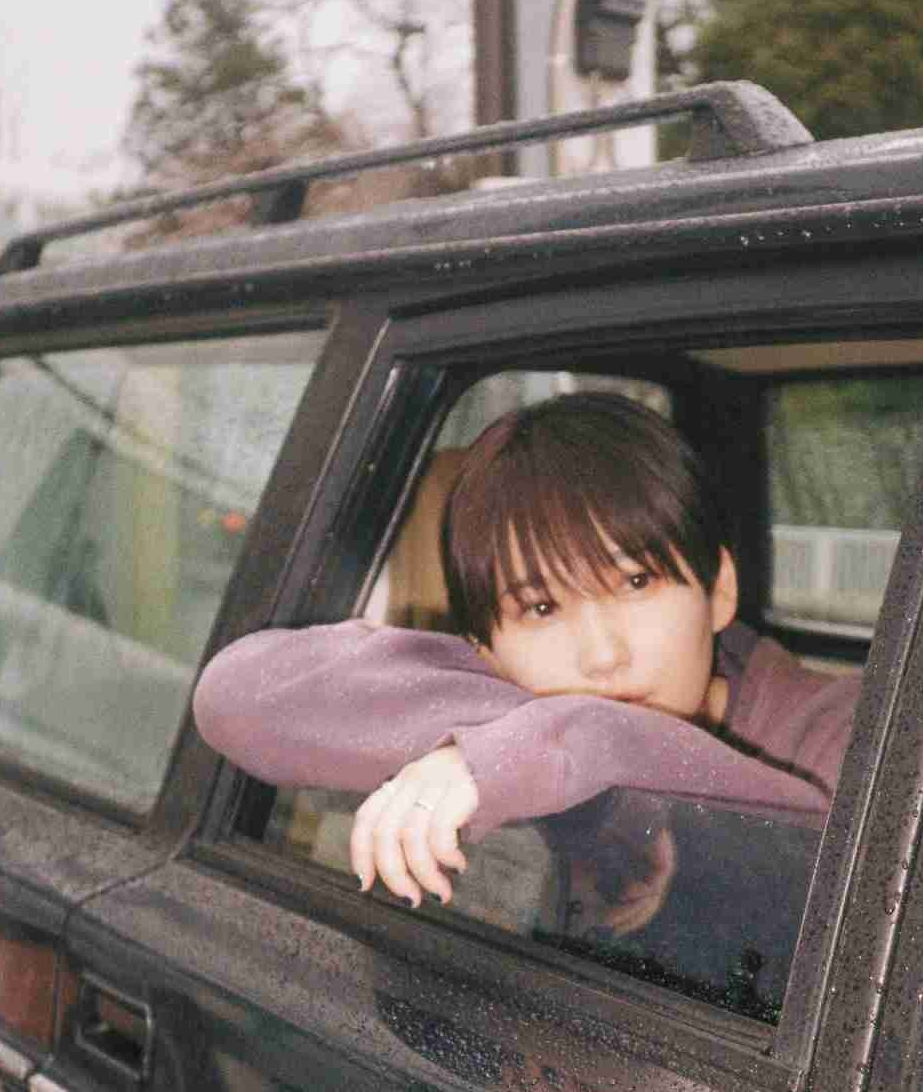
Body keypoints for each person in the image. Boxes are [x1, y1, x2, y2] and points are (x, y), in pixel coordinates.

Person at [193, 392, 860, 914]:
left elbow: (813, 871)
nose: (602, 656)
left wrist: (550, 744)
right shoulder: (515, 709)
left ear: (719, 591)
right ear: (489, 653)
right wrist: (494, 740)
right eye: (541, 608)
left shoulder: (849, 735)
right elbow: (235, 696)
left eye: (636, 583)